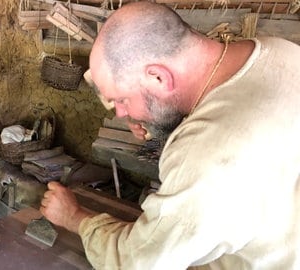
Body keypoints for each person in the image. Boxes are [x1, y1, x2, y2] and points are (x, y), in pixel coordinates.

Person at [40, 1, 300, 269]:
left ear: (159, 79)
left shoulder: (206, 155)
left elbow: (141, 261)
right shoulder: (279, 51)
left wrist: (74, 217)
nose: (120, 113)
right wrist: (153, 114)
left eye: (122, 99)